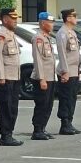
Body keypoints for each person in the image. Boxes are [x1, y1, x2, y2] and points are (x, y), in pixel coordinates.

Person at [0, 8, 23, 146]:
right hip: (6, 78)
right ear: (5, 19)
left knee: (13, 107)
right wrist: (0, 76)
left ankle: (9, 133)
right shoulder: (1, 34)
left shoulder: (11, 34)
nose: (16, 20)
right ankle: (5, 135)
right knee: (6, 108)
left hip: (14, 77)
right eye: (13, 18)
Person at [30, 12, 57, 140]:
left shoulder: (47, 38)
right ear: (42, 23)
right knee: (41, 103)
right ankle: (37, 130)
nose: (52, 25)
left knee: (48, 104)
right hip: (42, 77)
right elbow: (38, 59)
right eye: (50, 22)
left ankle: (43, 128)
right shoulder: (38, 38)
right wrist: (42, 78)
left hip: (50, 76)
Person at [56, 8, 81, 135]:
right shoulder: (62, 33)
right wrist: (65, 71)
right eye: (74, 16)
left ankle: (70, 122)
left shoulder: (72, 32)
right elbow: (62, 54)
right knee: (66, 98)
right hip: (67, 72)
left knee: (72, 97)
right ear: (68, 18)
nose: (76, 18)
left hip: (74, 71)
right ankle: (64, 124)